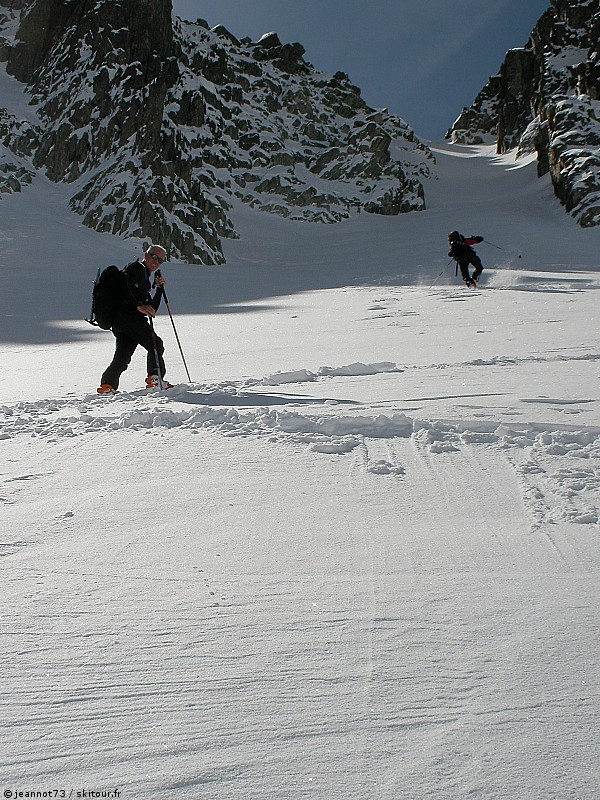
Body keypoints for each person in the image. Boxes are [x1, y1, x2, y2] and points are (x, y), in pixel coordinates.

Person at [97, 244, 172, 395]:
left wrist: (158, 289)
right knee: (156, 344)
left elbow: (151, 309)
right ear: (146, 254)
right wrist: (138, 305)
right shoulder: (135, 268)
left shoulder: (144, 277)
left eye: (160, 260)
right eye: (154, 256)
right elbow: (127, 288)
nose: (156, 262)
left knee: (123, 355)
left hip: (121, 322)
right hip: (128, 318)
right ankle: (155, 379)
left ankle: (107, 385)